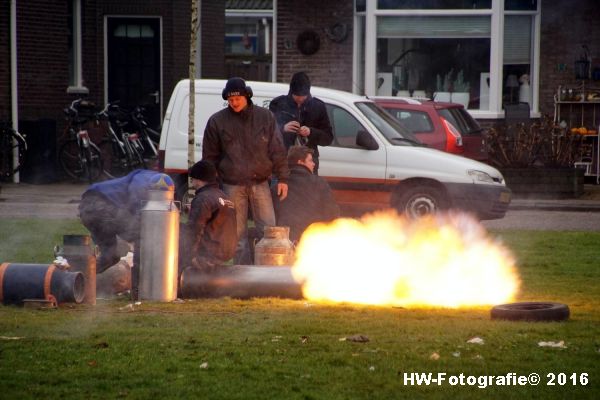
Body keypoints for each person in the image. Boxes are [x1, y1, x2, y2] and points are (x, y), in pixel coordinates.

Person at [202, 77, 289, 264]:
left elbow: (277, 149)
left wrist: (282, 178)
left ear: (247, 96)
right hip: (231, 184)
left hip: (261, 182)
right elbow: (210, 157)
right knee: (237, 234)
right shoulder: (217, 121)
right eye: (230, 100)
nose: (234, 103)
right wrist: (212, 184)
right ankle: (243, 276)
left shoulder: (265, 117)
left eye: (237, 99)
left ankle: (269, 272)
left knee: (269, 231)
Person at [78, 169, 174, 298]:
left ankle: (74, 280)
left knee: (110, 256)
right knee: (142, 239)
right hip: (99, 203)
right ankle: (138, 290)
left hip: (89, 207)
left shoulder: (154, 181)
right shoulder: (146, 179)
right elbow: (135, 202)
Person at [269, 71, 333, 174]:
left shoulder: (318, 106)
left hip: (308, 164)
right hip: (282, 162)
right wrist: (282, 129)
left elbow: (328, 138)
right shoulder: (278, 104)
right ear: (291, 91)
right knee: (280, 189)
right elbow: (267, 133)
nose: (300, 100)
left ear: (308, 93)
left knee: (308, 190)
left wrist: (311, 132)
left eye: (303, 97)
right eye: (296, 96)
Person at [272, 145, 340, 243]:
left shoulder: (279, 186)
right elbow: (332, 213)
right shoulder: (319, 183)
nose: (313, 164)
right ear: (300, 162)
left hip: (283, 241)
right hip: (311, 241)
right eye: (310, 160)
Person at [180, 160, 237, 273]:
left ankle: (178, 286)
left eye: (193, 179)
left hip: (209, 252)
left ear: (198, 179)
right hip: (227, 251)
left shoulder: (203, 198)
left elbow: (194, 229)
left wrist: (190, 256)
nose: (193, 183)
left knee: (176, 234)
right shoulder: (226, 198)